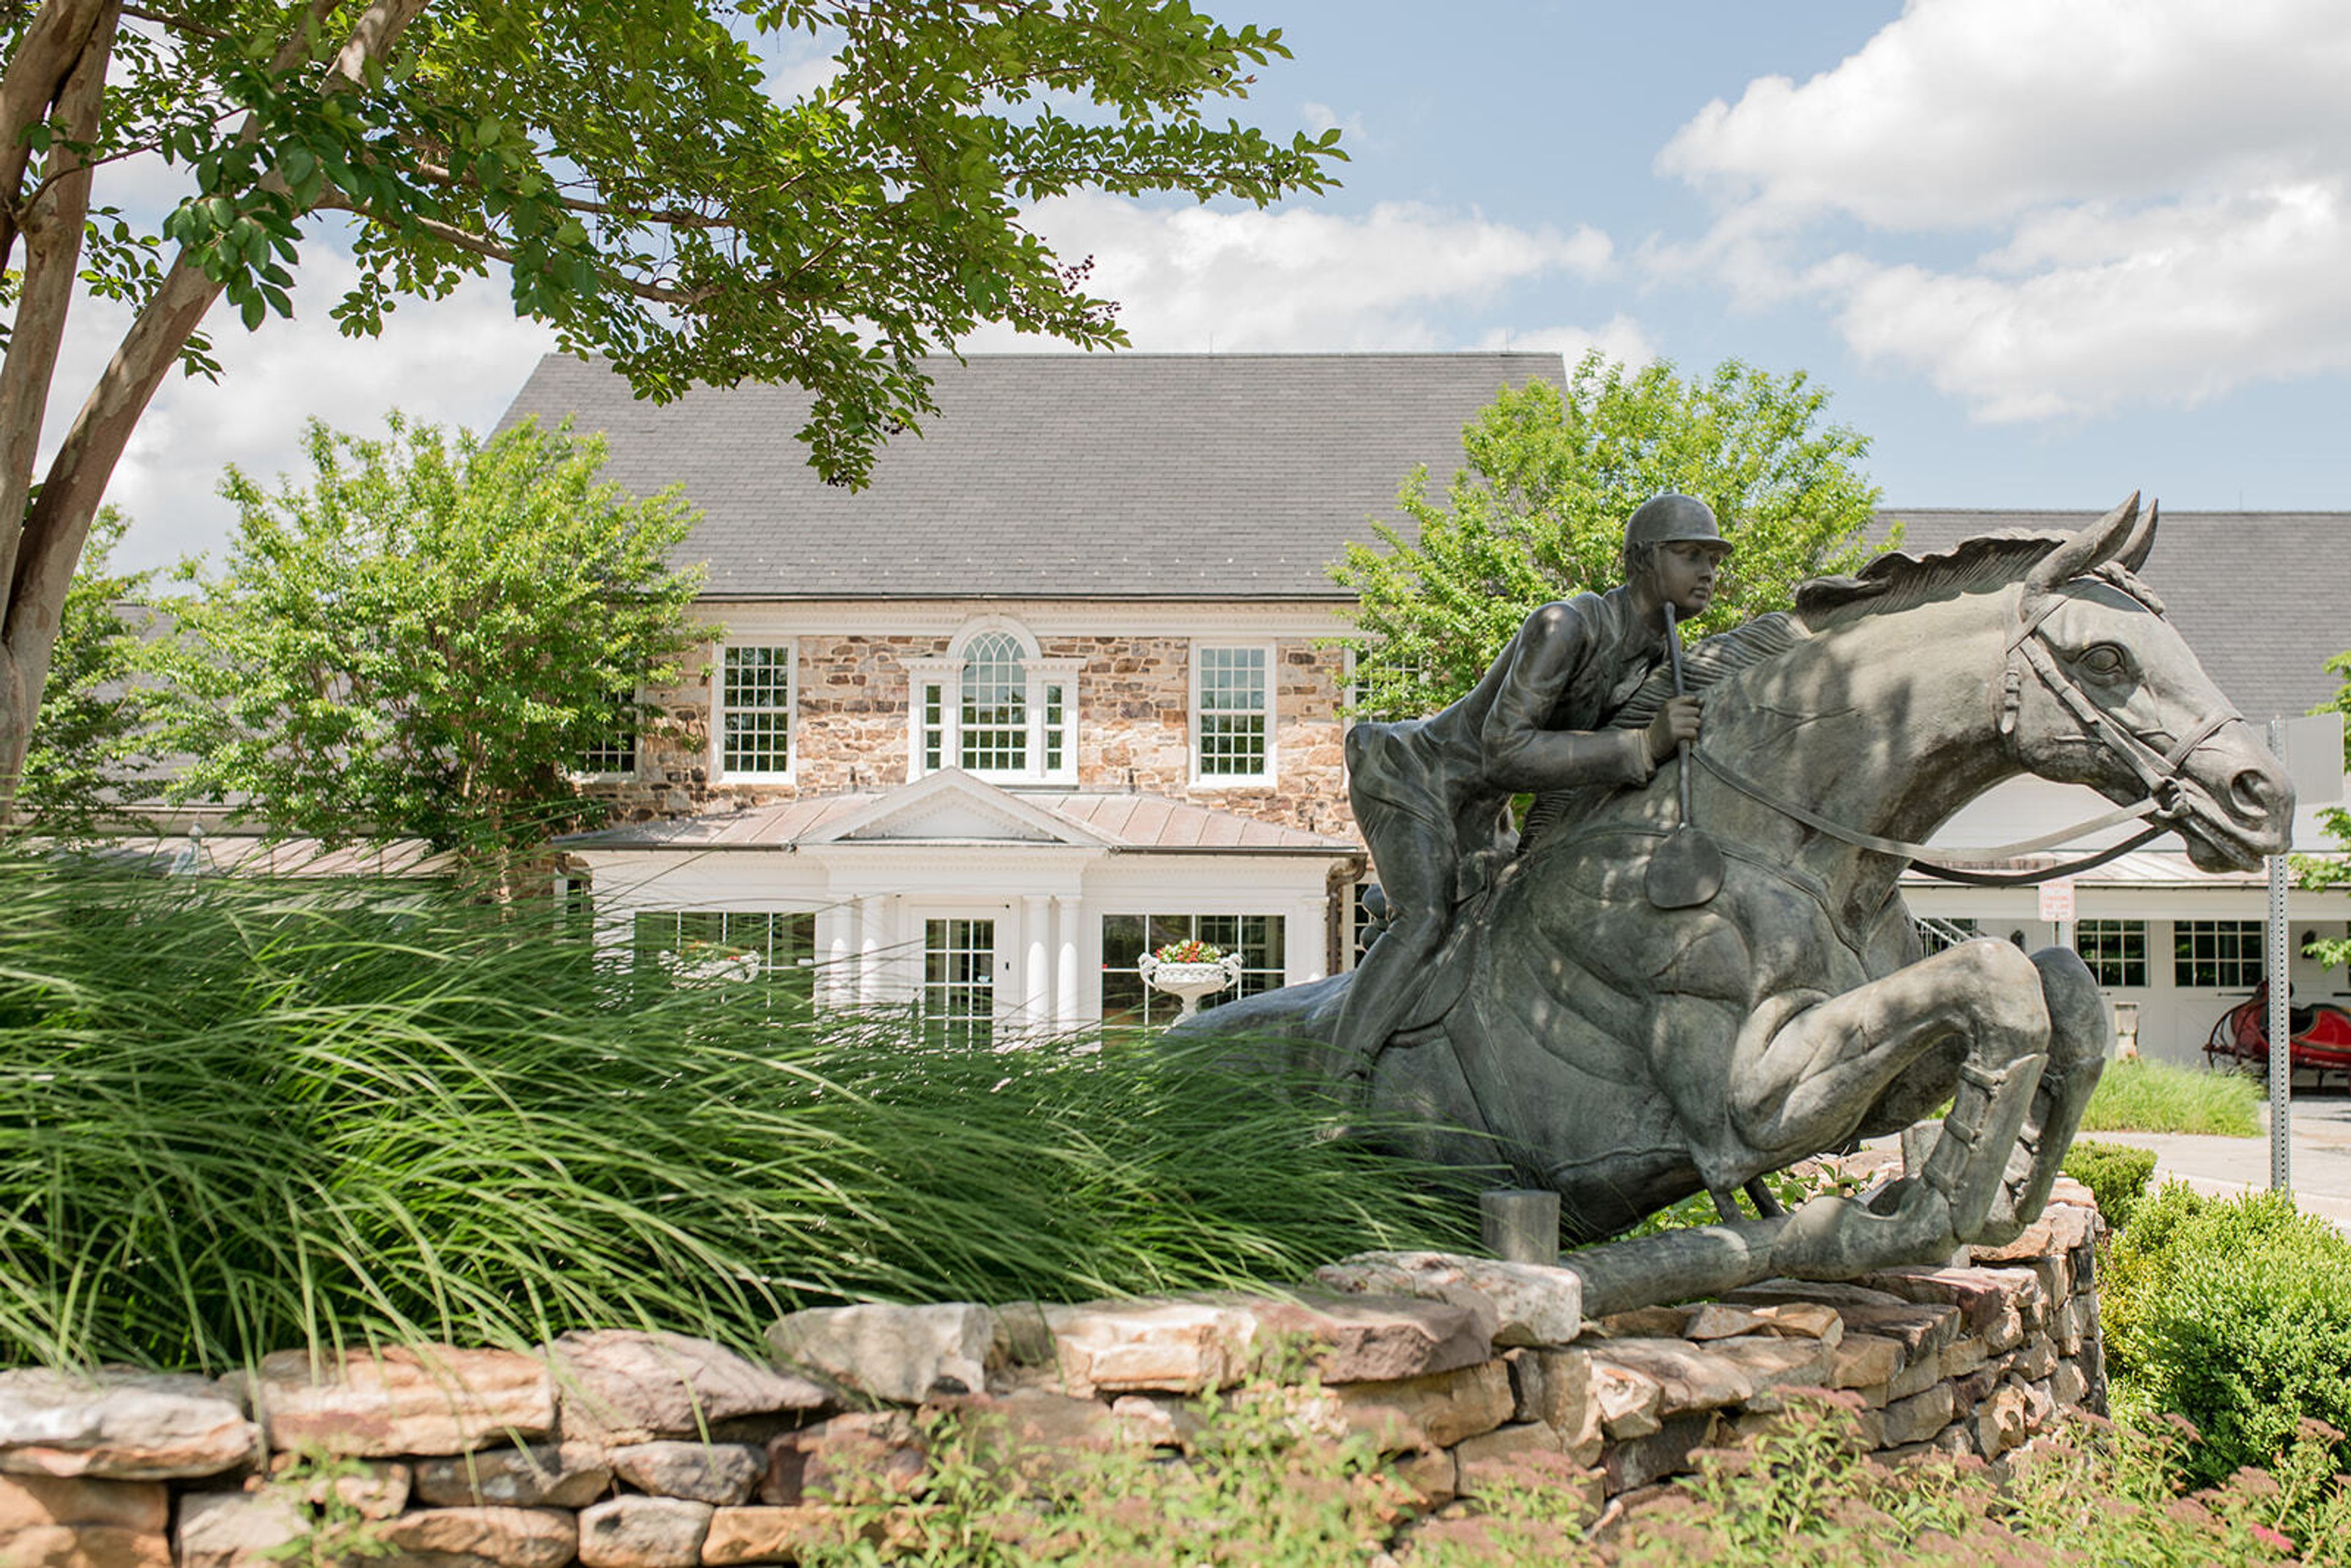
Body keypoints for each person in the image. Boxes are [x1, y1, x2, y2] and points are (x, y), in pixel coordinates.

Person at [1335, 492, 1734, 1067]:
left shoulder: (1657, 658)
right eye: (1691, 555)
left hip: (1482, 811)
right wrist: (1644, 743)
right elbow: (1503, 750)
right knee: (1425, 922)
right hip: (1415, 779)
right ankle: (1335, 1084)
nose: (1707, 573)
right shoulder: (1563, 626)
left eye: (1714, 560)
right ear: (1643, 560)